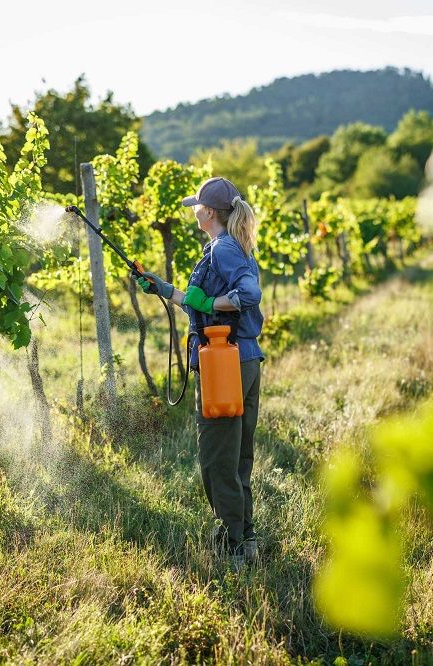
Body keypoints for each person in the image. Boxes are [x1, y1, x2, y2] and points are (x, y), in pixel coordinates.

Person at [136, 176, 264, 571]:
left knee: (217, 459)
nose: (193, 211)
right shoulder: (229, 245)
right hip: (243, 360)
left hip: (224, 364)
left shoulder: (223, 247)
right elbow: (200, 302)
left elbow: (248, 294)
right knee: (237, 456)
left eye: (197, 206)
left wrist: (210, 303)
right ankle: (247, 537)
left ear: (208, 212)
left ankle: (233, 548)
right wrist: (164, 289)